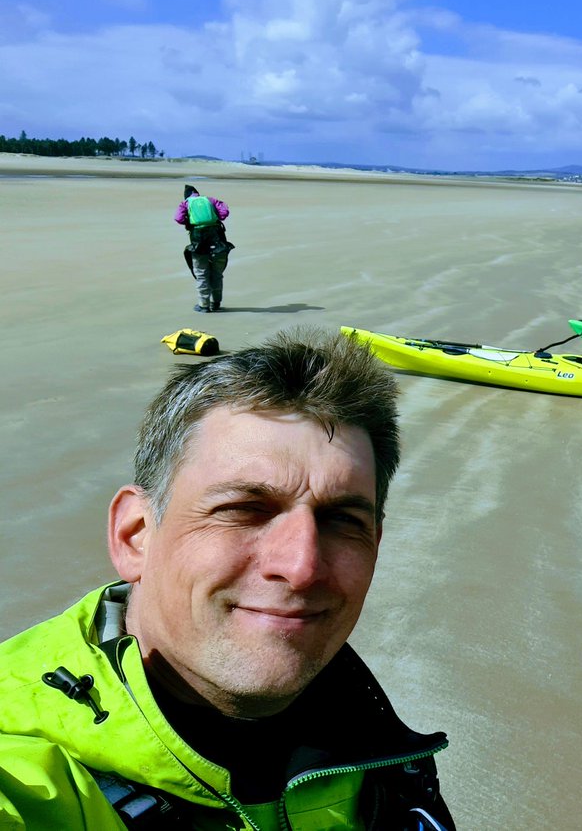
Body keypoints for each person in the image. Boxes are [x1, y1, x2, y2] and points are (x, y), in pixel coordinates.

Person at [0, 327, 456, 830]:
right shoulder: (20, 766)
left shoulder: (380, 750)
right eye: (243, 509)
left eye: (343, 520)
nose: (301, 566)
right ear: (134, 536)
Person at [175, 183, 233, 313]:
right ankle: (215, 303)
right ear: (197, 193)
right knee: (217, 273)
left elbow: (178, 218)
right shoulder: (210, 200)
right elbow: (224, 213)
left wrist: (188, 221)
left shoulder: (185, 203)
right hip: (218, 239)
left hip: (198, 241)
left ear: (186, 196)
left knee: (201, 273)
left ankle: (203, 305)